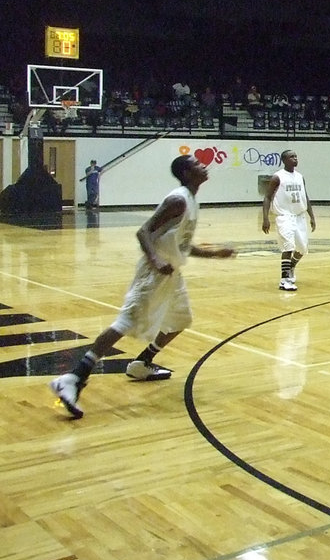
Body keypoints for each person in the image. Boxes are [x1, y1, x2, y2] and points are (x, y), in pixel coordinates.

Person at [49, 154, 237, 418]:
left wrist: (215, 253)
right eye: (196, 164)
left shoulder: (191, 200)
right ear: (186, 173)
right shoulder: (178, 199)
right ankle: (73, 378)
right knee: (125, 323)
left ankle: (142, 363)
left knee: (180, 321)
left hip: (172, 275)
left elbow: (181, 245)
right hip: (153, 274)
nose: (203, 166)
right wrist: (156, 259)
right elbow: (144, 231)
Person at [261, 149, 316, 291]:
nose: (295, 159)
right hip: (284, 216)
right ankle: (284, 280)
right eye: (292, 157)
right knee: (288, 247)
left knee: (302, 249)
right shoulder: (277, 177)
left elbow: (306, 196)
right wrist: (265, 218)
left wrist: (312, 216)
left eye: (296, 156)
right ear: (284, 160)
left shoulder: (300, 176)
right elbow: (267, 197)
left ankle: (290, 267)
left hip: (299, 216)